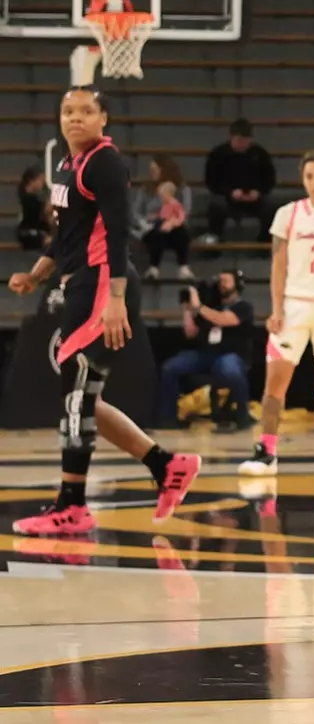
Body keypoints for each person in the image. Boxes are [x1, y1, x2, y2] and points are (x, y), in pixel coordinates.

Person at [7, 87, 201, 536]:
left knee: (76, 393)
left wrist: (115, 300)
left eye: (86, 111)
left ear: (103, 120)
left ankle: (72, 506)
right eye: (68, 111)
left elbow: (117, 233)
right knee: (85, 396)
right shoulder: (66, 165)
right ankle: (167, 465)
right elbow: (67, 236)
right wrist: (36, 275)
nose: (75, 118)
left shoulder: (105, 162)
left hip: (102, 283)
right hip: (81, 283)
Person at [240, 152, 314, 478]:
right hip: (294, 305)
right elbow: (278, 266)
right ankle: (266, 450)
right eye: (309, 176)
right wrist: (276, 309)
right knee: (275, 381)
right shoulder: (288, 214)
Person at [156, 269, 255, 432]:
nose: (221, 284)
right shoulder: (210, 307)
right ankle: (168, 419)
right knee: (171, 367)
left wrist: (198, 306)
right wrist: (187, 309)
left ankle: (242, 415)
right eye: (220, 280)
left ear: (237, 285)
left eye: (226, 280)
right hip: (206, 354)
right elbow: (190, 333)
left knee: (229, 368)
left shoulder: (244, 307)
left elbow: (223, 319)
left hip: (231, 354)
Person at [204, 119, 277, 242]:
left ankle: (264, 244)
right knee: (215, 206)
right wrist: (229, 192)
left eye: (245, 140)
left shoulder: (260, 154)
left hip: (255, 199)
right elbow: (211, 181)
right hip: (227, 198)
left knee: (270, 208)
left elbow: (269, 179)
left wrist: (258, 192)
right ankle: (216, 242)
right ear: (231, 137)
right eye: (239, 140)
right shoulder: (218, 154)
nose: (242, 144)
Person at [137, 161, 193, 280]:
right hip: (152, 226)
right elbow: (136, 212)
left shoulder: (182, 189)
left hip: (176, 226)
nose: (152, 173)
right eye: (151, 170)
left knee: (182, 233)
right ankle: (153, 268)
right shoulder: (145, 189)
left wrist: (172, 222)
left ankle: (183, 267)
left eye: (155, 169)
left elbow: (185, 212)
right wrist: (149, 219)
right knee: (158, 232)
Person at [16, 165, 50, 250]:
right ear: (32, 181)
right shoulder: (29, 199)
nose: (44, 183)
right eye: (41, 180)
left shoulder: (29, 198)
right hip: (29, 234)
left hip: (29, 232)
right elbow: (40, 217)